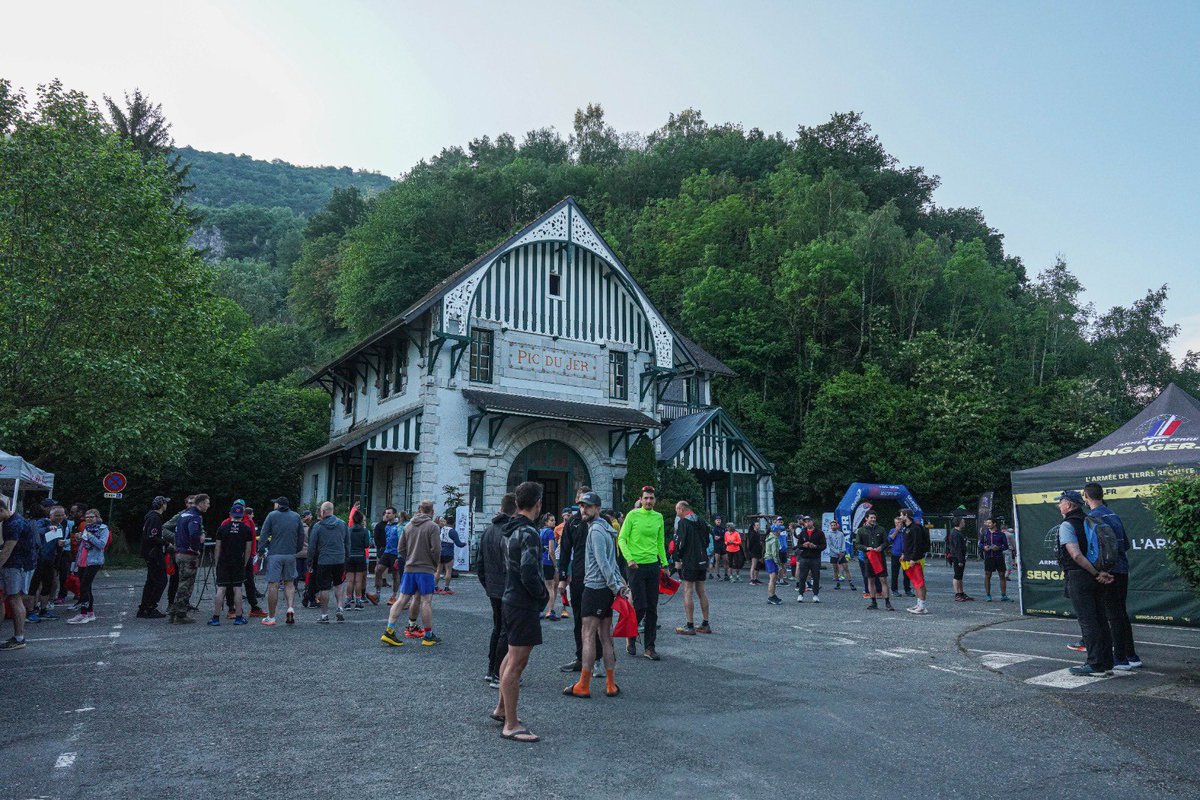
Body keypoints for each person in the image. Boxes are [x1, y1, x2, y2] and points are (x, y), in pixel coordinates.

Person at [492, 480, 548, 742]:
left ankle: (502, 709)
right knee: (517, 662)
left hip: (509, 597)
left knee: (510, 656)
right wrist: (542, 594)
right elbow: (528, 571)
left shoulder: (509, 529)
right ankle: (511, 724)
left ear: (516, 502)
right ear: (538, 503)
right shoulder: (529, 532)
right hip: (522, 602)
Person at [565, 494, 629, 698]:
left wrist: (616, 587)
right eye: (582, 506)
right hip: (605, 590)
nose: (584, 510)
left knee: (588, 635)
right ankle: (610, 684)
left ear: (598, 508)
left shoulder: (595, 531)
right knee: (605, 636)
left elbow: (604, 564)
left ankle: (583, 685)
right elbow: (613, 562)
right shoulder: (607, 529)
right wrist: (619, 585)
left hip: (595, 588)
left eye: (589, 506)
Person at [1055, 490, 1115, 675]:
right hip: (1097, 575)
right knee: (1100, 618)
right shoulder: (1090, 520)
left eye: (1061, 502)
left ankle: (1095, 664)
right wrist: (1100, 573)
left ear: (1069, 505)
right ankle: (1107, 662)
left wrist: (1095, 573)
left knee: (1088, 621)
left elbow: (1076, 555)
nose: (1059, 505)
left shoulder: (1067, 525)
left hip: (1080, 576)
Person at [1083, 483, 1142, 671]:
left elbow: (1092, 549)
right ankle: (1131, 656)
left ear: (1086, 496)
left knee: (1113, 614)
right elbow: (1125, 545)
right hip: (1122, 568)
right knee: (1121, 612)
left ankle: (1120, 658)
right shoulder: (1114, 515)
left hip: (1107, 570)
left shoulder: (1092, 517)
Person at [556, 488, 603, 674]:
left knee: (599, 621)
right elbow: (565, 551)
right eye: (581, 502)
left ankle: (599, 659)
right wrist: (562, 578)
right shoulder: (572, 523)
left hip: (598, 579)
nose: (584, 507)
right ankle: (580, 657)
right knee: (579, 620)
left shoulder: (602, 522)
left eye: (587, 503)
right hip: (578, 576)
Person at [618, 485, 668, 660]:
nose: (648, 501)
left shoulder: (658, 517)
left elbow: (660, 542)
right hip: (635, 566)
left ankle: (649, 647)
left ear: (655, 500)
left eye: (651, 498)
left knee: (652, 608)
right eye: (645, 498)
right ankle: (631, 636)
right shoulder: (632, 515)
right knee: (640, 606)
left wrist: (665, 563)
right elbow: (621, 539)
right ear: (640, 499)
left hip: (653, 565)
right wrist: (629, 559)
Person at [381, 500, 440, 646]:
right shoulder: (433, 526)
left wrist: (409, 558)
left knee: (402, 599)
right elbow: (436, 549)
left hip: (409, 568)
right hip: (425, 569)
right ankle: (428, 636)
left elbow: (400, 548)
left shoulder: (408, 526)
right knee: (426, 601)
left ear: (419, 510)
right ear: (432, 511)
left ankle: (389, 631)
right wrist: (434, 564)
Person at [478, 493, 516, 687]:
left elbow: (480, 563)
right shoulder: (511, 531)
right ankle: (498, 673)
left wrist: (488, 585)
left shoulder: (488, 531)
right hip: (508, 588)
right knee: (506, 631)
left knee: (497, 628)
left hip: (493, 587)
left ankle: (491, 669)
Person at [257, 495, 305, 626]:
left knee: (273, 585)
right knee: (289, 583)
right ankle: (290, 608)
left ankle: (271, 617)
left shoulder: (272, 515)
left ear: (278, 505)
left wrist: (261, 549)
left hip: (275, 554)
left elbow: (264, 534)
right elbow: (301, 535)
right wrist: (297, 549)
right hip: (290, 554)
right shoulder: (296, 516)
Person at [672, 500, 713, 635]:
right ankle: (705, 623)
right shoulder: (701, 521)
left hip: (689, 561)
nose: (676, 513)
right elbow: (707, 540)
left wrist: (678, 558)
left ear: (681, 509)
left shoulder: (683, 523)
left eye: (677, 510)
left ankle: (690, 625)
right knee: (701, 591)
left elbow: (680, 543)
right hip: (702, 559)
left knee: (688, 591)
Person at [0, 498, 35, 649]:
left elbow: (7, 551)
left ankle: (19, 638)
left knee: (15, 599)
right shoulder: (11, 520)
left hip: (17, 566)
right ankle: (18, 637)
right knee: (3, 598)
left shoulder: (14, 524)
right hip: (15, 564)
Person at [209, 502, 252, 626]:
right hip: (238, 561)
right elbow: (248, 549)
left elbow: (218, 547)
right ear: (242, 515)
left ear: (230, 514)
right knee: (237, 588)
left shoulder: (222, 528)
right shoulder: (246, 529)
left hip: (224, 561)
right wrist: (244, 562)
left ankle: (216, 618)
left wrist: (217, 562)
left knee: (221, 588)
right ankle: (239, 617)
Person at [308, 502, 350, 623]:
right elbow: (347, 543)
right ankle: (339, 607)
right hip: (339, 559)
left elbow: (312, 546)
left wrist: (310, 561)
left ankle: (324, 615)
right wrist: (346, 557)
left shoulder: (318, 526)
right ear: (332, 510)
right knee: (339, 584)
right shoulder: (342, 524)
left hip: (324, 560)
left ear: (323, 511)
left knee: (324, 588)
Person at [170, 494, 209, 624]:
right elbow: (193, 534)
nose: (208, 506)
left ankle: (173, 613)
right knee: (186, 584)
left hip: (179, 552)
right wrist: (195, 548)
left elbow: (177, 533)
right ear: (201, 503)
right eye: (207, 503)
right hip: (188, 554)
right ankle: (180, 615)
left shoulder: (183, 515)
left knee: (181, 582)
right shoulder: (195, 517)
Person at [68, 509, 111, 625]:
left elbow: (101, 544)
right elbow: (83, 544)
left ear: (97, 517)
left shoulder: (103, 529)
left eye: (92, 517)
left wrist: (90, 536)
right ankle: (90, 613)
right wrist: (79, 538)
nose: (89, 519)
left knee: (84, 587)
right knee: (87, 587)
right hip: (83, 560)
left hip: (94, 561)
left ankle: (83, 613)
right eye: (87, 517)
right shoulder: (87, 528)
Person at [29, 504, 68, 621]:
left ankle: (43, 610)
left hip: (50, 560)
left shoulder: (60, 526)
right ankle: (30, 611)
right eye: (57, 515)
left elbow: (56, 543)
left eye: (62, 515)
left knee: (48, 585)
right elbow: (34, 532)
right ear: (50, 515)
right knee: (34, 586)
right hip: (37, 559)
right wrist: (48, 529)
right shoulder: (43, 522)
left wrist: (60, 545)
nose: (60, 517)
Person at [137, 496, 171, 618]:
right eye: (165, 503)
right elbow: (152, 537)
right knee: (161, 581)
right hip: (154, 553)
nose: (166, 505)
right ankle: (150, 607)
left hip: (150, 553)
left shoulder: (151, 517)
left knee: (151, 581)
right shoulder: (155, 518)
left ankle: (144, 608)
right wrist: (166, 543)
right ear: (162, 505)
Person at [856, 511, 894, 611]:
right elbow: (857, 544)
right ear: (866, 518)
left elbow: (886, 542)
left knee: (883, 580)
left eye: (874, 518)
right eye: (871, 518)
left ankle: (887, 603)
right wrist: (866, 548)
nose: (873, 519)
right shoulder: (861, 530)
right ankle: (873, 602)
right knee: (871, 580)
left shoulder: (881, 529)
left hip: (880, 558)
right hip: (868, 559)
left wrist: (881, 547)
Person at [899, 509, 932, 615]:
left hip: (916, 559)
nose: (900, 517)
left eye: (901, 515)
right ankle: (919, 604)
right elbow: (907, 544)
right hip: (909, 558)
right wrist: (904, 554)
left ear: (906, 515)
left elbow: (917, 544)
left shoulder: (915, 528)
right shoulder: (906, 528)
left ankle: (922, 606)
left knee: (919, 582)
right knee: (915, 582)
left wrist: (913, 558)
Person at [978, 516, 1011, 602]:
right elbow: (980, 544)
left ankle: (1004, 595)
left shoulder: (1001, 534)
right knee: (987, 575)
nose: (988, 524)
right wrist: (984, 547)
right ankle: (988, 595)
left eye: (989, 523)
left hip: (999, 557)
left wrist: (998, 548)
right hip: (989, 557)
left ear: (994, 524)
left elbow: (1006, 546)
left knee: (1002, 575)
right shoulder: (985, 534)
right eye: (987, 523)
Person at [794, 516, 825, 603]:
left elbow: (824, 546)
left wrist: (815, 546)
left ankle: (815, 595)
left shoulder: (819, 533)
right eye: (805, 522)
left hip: (815, 558)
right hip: (804, 557)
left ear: (812, 522)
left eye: (809, 521)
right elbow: (798, 545)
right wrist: (803, 545)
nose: (807, 523)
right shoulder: (803, 532)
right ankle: (800, 594)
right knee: (802, 577)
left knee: (816, 577)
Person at [435, 516, 467, 595]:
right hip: (448, 553)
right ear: (454, 523)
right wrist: (465, 544)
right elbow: (459, 544)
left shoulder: (441, 529)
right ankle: (446, 588)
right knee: (448, 571)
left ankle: (435, 587)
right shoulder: (453, 531)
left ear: (446, 521)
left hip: (440, 551)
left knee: (438, 570)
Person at [346, 507, 371, 609]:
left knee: (349, 581)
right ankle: (358, 601)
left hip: (350, 556)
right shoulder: (365, 531)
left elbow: (346, 543)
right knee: (358, 581)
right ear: (361, 520)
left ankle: (348, 601)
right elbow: (366, 545)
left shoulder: (349, 530)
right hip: (360, 556)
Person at [947, 517, 974, 602]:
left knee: (960, 576)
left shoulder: (957, 532)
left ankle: (961, 593)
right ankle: (957, 594)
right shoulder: (955, 533)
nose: (964, 523)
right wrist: (960, 560)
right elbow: (957, 547)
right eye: (963, 522)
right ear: (959, 523)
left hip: (958, 556)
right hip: (957, 557)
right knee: (957, 575)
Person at [539, 513, 560, 620]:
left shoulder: (540, 531)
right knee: (551, 587)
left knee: (545, 586)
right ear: (546, 522)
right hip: (548, 562)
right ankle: (550, 611)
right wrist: (555, 565)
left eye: (554, 520)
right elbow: (551, 550)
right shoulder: (550, 532)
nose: (554, 522)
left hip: (541, 561)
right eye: (551, 520)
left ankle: (541, 610)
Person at [372, 506, 396, 598]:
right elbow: (377, 538)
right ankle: (377, 595)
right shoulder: (386, 526)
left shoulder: (398, 526)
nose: (387, 515)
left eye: (389, 513)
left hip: (395, 553)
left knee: (395, 575)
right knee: (378, 570)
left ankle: (394, 596)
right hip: (386, 552)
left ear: (394, 514)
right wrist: (381, 548)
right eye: (386, 513)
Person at [826, 520, 855, 591]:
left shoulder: (841, 533)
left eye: (834, 525)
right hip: (833, 554)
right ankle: (837, 584)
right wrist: (837, 552)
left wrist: (842, 551)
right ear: (830, 526)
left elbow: (843, 543)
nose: (833, 526)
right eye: (832, 525)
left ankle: (851, 583)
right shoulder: (828, 534)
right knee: (835, 569)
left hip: (842, 553)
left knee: (846, 568)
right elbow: (830, 545)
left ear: (837, 526)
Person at [888, 515, 913, 597]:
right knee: (895, 573)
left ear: (902, 523)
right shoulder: (892, 530)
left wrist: (904, 553)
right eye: (895, 523)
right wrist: (896, 530)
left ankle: (907, 590)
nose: (897, 524)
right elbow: (889, 540)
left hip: (905, 555)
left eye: (898, 522)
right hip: (895, 555)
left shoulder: (906, 530)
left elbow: (909, 543)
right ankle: (894, 590)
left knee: (907, 573)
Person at [763, 521, 783, 604]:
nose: (780, 532)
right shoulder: (774, 539)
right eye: (779, 530)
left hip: (768, 559)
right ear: (776, 531)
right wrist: (778, 564)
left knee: (773, 579)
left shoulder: (769, 537)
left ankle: (773, 595)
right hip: (771, 560)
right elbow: (775, 554)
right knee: (773, 579)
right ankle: (771, 597)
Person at [746, 520, 764, 585]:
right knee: (753, 565)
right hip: (754, 551)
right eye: (757, 525)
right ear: (754, 526)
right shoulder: (752, 533)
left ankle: (756, 579)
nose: (758, 526)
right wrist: (751, 551)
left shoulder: (757, 533)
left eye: (758, 525)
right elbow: (750, 543)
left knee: (758, 566)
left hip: (758, 550)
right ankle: (752, 579)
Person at [710, 515, 726, 580]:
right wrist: (721, 537)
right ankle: (718, 574)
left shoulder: (723, 528)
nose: (718, 521)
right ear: (715, 521)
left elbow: (725, 537)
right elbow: (716, 538)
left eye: (719, 520)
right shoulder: (714, 529)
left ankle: (726, 574)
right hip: (717, 547)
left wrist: (720, 537)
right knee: (717, 561)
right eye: (717, 520)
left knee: (726, 560)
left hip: (723, 546)